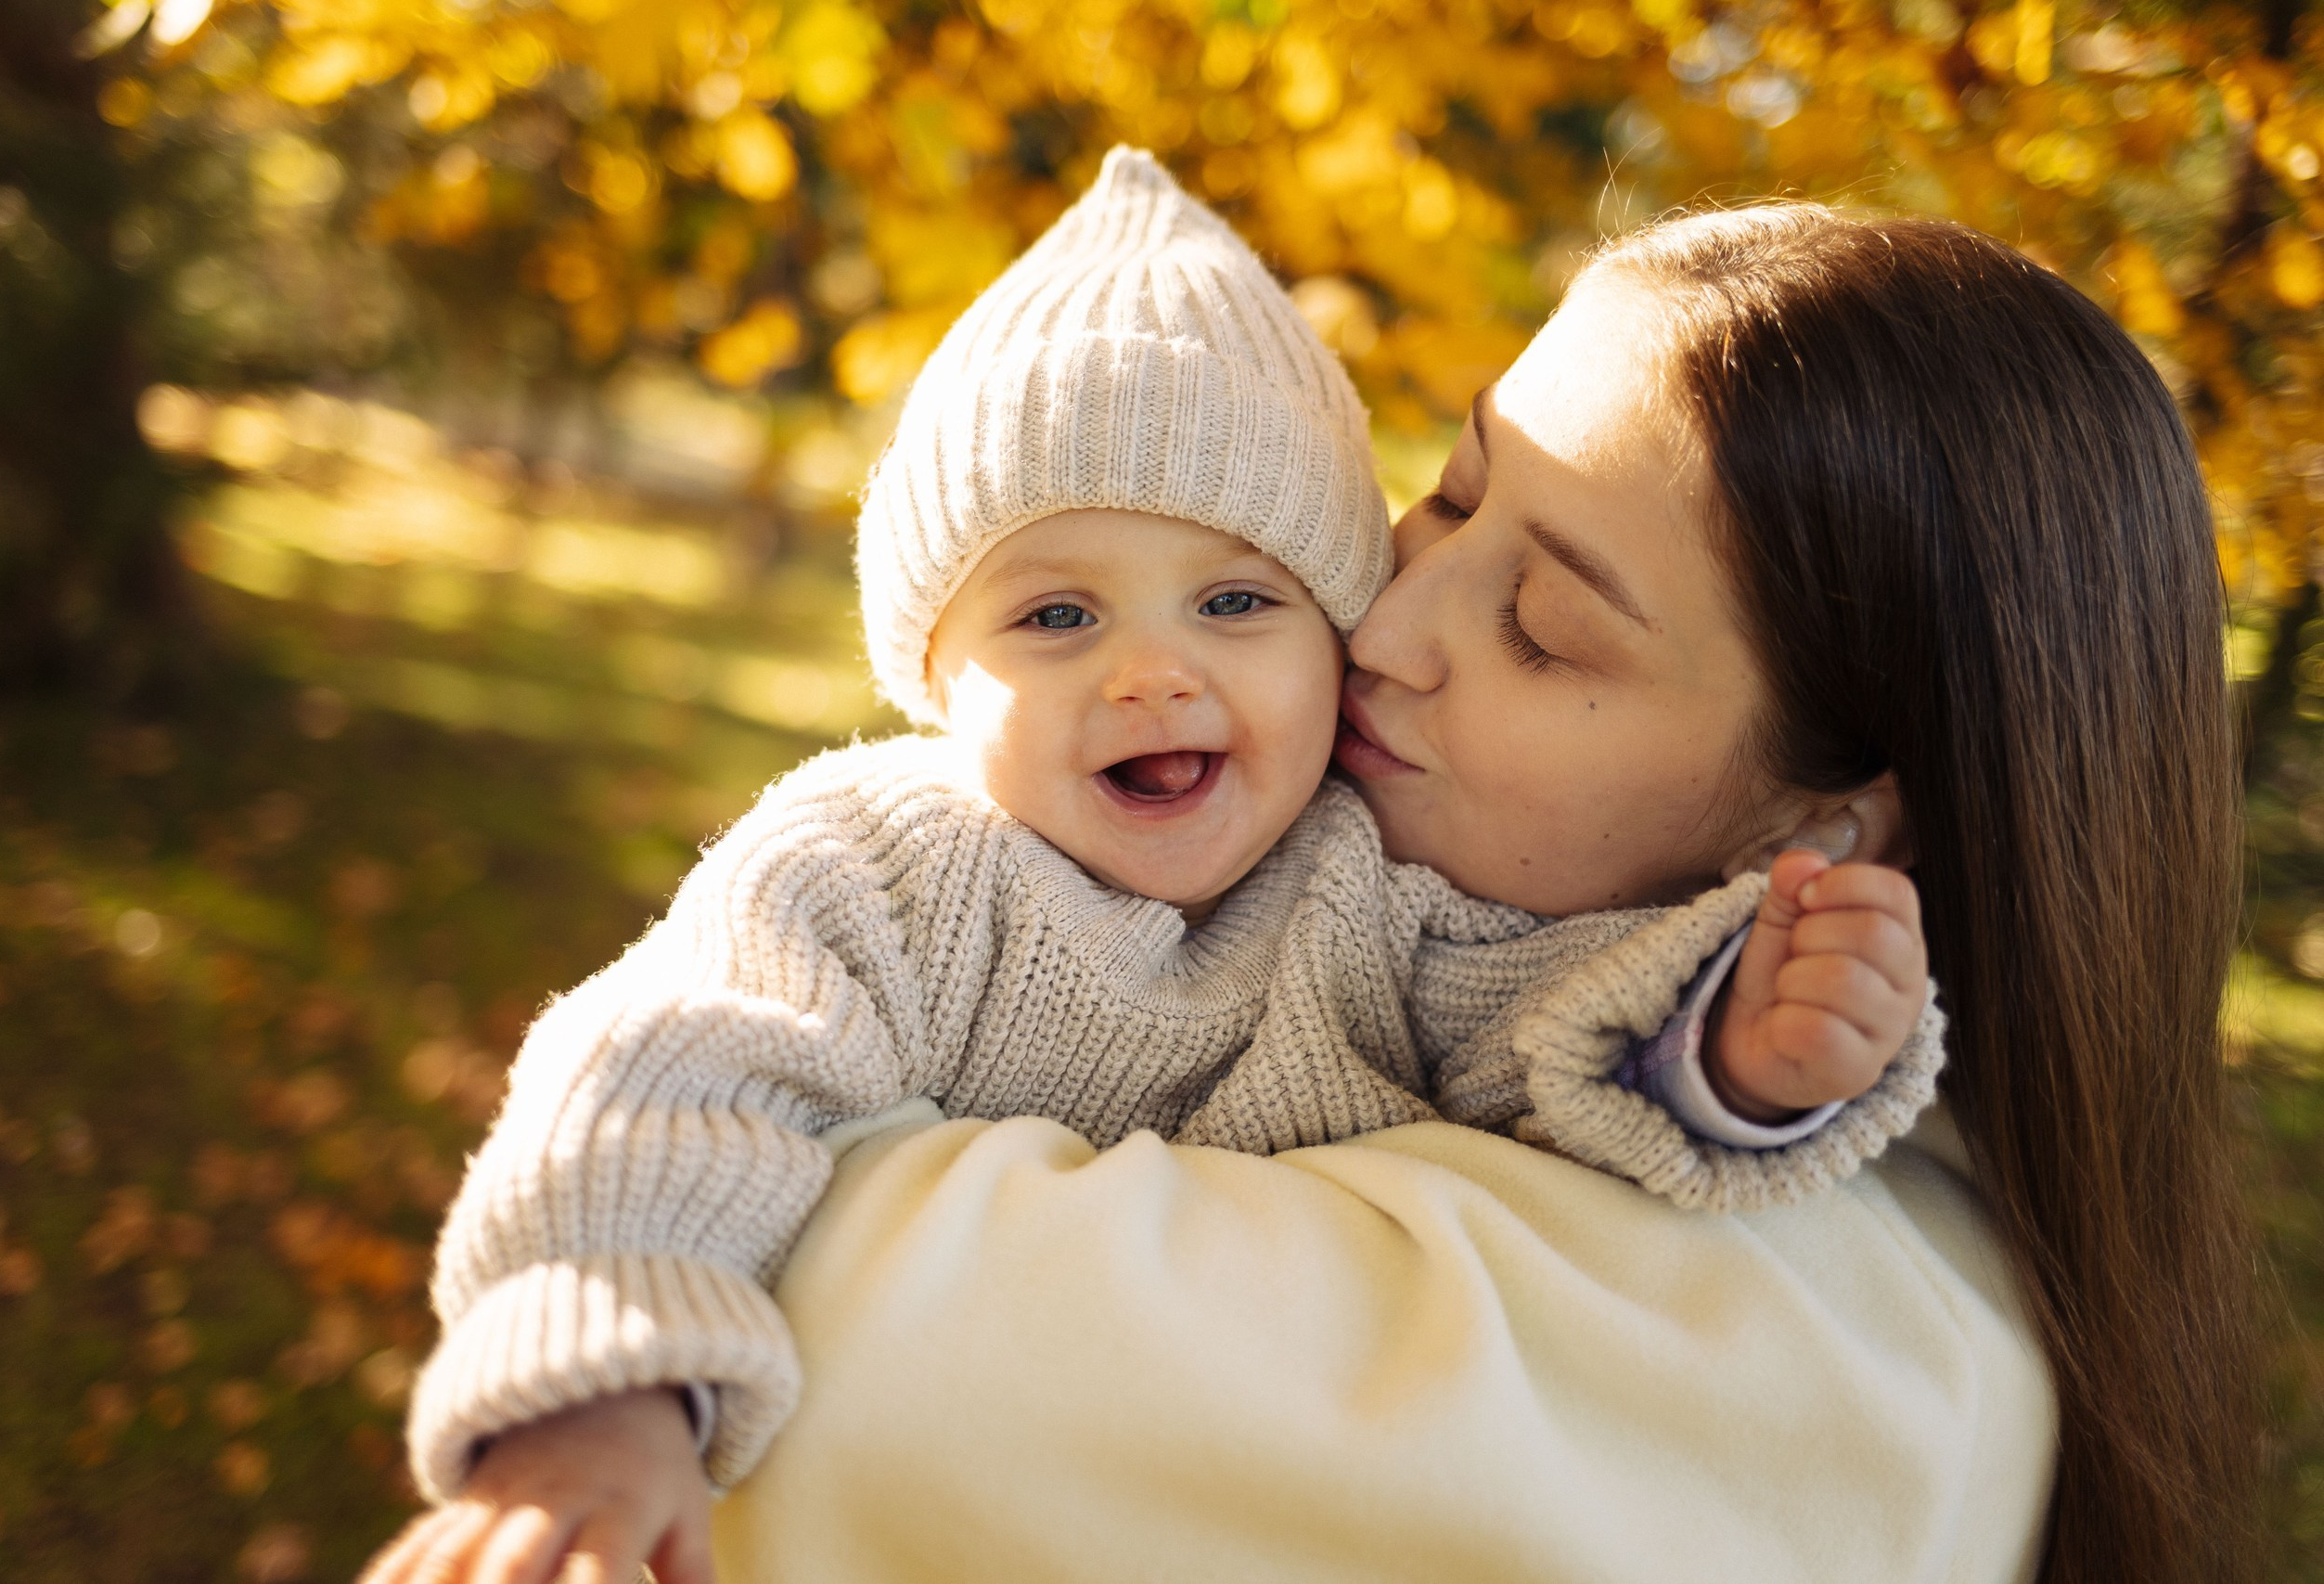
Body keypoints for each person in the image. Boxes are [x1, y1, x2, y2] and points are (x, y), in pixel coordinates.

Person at [361, 161, 1941, 1584]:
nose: (1150, 677)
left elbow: (1551, 1031)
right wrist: (602, 1392)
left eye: (1239, 605)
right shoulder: (887, 866)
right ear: (930, 672)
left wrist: (1739, 1047)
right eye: (1055, 618)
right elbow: (666, 1069)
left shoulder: (1374, 887)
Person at [709, 206, 2261, 1584]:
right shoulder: (1193, 840)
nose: (1383, 621)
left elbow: (851, 1353)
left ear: (1831, 826)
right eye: (1452, 496)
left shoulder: (1819, 1353)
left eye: (1541, 624)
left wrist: (1735, 1072)